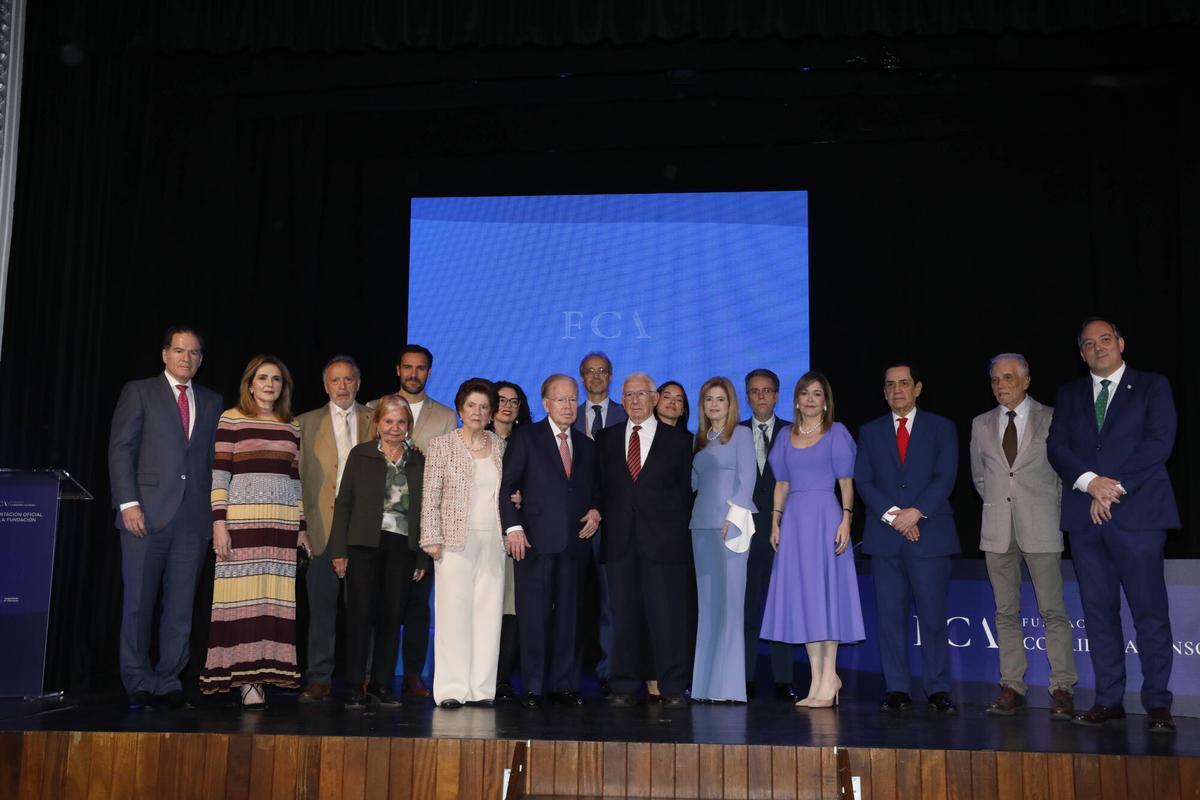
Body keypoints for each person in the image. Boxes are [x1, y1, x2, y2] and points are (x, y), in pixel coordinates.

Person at [1047, 318, 1180, 734]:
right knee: (1099, 614)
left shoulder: (1152, 386)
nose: (1098, 347)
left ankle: (1158, 703)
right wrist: (1089, 484)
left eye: (1105, 340)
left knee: (1149, 614)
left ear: (1121, 343)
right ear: (1082, 353)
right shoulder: (1069, 394)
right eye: (1089, 344)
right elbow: (1057, 447)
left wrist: (1112, 488)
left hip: (1138, 516)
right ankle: (1109, 699)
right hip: (1086, 520)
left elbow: (1159, 443)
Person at [108, 326, 223, 710]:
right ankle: (138, 679)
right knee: (138, 603)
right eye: (179, 350)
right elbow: (121, 450)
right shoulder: (139, 391)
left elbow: (211, 461)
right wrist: (128, 504)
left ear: (201, 359)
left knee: (180, 607)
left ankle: (169, 678)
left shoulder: (211, 401)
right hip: (145, 515)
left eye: (193, 353)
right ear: (164, 354)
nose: (185, 358)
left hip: (193, 520)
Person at [969, 353, 1076, 719]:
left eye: (1009, 378)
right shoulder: (980, 424)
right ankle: (1012, 686)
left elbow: (1063, 476)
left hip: (1042, 526)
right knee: (1005, 613)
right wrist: (1004, 506)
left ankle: (1062, 687)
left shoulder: (1051, 417)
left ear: (1026, 381)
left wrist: (1048, 512)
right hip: (997, 530)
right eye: (996, 379)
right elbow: (981, 478)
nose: (1001, 385)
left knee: (1053, 611)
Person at [201, 355, 311, 707]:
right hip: (243, 524)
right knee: (241, 600)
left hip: (280, 527)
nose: (269, 384)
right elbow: (219, 474)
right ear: (250, 383)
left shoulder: (291, 425)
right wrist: (220, 523)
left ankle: (265, 676)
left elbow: (295, 480)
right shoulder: (231, 419)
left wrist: (301, 527)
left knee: (272, 602)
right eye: (263, 378)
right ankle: (245, 678)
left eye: (276, 379)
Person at [855, 363, 960, 714]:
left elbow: (945, 477)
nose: (897, 390)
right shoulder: (869, 432)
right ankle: (896, 688)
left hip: (929, 536)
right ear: (884, 392)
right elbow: (864, 481)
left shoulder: (942, 428)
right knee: (890, 619)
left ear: (917, 388)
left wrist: (915, 513)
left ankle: (937, 688)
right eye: (890, 385)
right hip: (886, 540)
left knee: (932, 618)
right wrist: (895, 517)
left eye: (903, 383)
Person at [761, 372, 864, 708]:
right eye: (805, 393)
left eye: (817, 394)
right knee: (805, 601)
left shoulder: (836, 433)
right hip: (795, 523)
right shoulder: (785, 436)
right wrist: (776, 523)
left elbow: (846, 482)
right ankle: (818, 680)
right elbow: (782, 485)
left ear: (825, 401)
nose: (810, 399)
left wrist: (846, 519)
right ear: (796, 398)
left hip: (825, 518)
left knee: (827, 598)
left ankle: (830, 675)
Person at [593, 372, 694, 708]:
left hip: (663, 545)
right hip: (620, 543)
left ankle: (673, 685)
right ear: (622, 400)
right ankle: (622, 684)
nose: (635, 400)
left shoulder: (678, 441)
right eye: (629, 394)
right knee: (623, 617)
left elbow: (683, 497)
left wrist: (674, 539)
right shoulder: (605, 439)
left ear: (654, 399)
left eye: (642, 394)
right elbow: (601, 489)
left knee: (666, 618)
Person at [500, 374, 600, 707]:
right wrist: (513, 528)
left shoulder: (587, 444)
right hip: (534, 544)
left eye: (573, 399)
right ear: (546, 403)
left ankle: (565, 684)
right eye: (561, 400)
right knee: (534, 618)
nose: (569, 406)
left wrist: (597, 510)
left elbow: (595, 489)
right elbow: (507, 487)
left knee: (570, 620)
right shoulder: (526, 437)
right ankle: (533, 686)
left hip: (575, 545)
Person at [326, 395, 429, 709]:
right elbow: (344, 504)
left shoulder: (419, 460)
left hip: (403, 549)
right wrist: (338, 550)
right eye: (388, 421)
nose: (394, 428)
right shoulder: (361, 455)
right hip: (363, 546)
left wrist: (422, 556)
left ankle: (381, 684)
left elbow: (427, 511)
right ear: (377, 424)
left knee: (391, 618)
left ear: (409, 426)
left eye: (401, 422)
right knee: (359, 617)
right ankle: (355, 685)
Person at [420, 378, 507, 708]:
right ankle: (452, 689)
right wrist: (431, 537)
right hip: (454, 542)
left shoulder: (500, 446)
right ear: (460, 408)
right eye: (471, 405)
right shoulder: (442, 445)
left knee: (488, 615)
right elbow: (431, 497)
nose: (477, 411)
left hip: (492, 542)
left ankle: (482, 689)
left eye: (484, 407)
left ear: (491, 414)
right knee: (453, 615)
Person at [373, 343, 453, 698]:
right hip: (382, 524)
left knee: (419, 606)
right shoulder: (375, 408)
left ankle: (413, 676)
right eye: (408, 367)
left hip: (424, 524)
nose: (414, 374)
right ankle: (375, 674)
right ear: (398, 370)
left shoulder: (446, 416)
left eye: (421, 368)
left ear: (429, 372)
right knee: (379, 604)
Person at [295, 356, 373, 703]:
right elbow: (294, 479)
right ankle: (319, 677)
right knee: (322, 608)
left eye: (349, 380)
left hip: (364, 530)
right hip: (321, 528)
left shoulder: (376, 421)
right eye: (336, 381)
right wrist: (300, 525)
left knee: (363, 609)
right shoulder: (304, 423)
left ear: (358, 383)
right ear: (326, 385)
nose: (343, 386)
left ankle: (365, 677)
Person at [689, 377, 757, 702]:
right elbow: (690, 484)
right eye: (708, 400)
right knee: (708, 608)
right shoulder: (699, 441)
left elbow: (749, 479)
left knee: (731, 605)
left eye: (720, 399)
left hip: (731, 527)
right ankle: (704, 687)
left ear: (731, 404)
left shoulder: (742, 435)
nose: (714, 405)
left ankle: (729, 688)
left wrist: (733, 517)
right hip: (700, 527)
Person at [740, 368, 799, 701]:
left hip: (785, 533)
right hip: (745, 535)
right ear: (747, 397)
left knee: (782, 608)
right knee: (747, 609)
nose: (760, 396)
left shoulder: (795, 433)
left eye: (766, 391)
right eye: (754, 391)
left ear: (777, 395)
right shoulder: (733, 433)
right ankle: (745, 677)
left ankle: (783, 680)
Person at [572, 351, 626, 691]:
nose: (596, 376)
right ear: (581, 376)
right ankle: (568, 673)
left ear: (610, 376)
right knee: (570, 601)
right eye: (589, 371)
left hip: (615, 522)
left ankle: (611, 670)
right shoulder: (568, 415)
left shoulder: (627, 414)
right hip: (574, 523)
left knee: (612, 602)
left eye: (602, 371)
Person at [489, 380, 532, 699]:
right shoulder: (475, 440)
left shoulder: (530, 441)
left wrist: (524, 498)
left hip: (516, 536)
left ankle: (502, 677)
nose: (507, 406)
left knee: (511, 608)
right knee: (483, 607)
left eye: (514, 401)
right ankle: (480, 675)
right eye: (501, 400)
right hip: (481, 536)